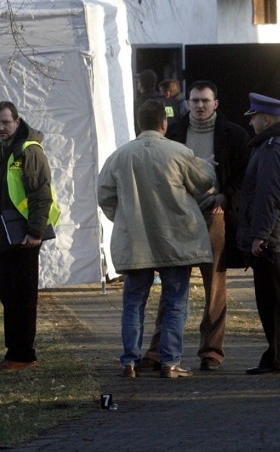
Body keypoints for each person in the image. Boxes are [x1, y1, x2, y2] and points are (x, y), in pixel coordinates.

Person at [97, 100, 215, 379]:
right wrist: (208, 167)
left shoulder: (119, 156)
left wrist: (126, 218)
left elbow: (105, 195)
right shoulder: (179, 152)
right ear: (164, 123)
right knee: (175, 301)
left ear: (140, 124)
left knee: (133, 302)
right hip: (176, 239)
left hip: (135, 241)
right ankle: (170, 362)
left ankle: (129, 361)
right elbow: (204, 182)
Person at [140, 80, 250, 372]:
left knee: (215, 286)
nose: (199, 106)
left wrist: (228, 196)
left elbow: (244, 177)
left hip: (214, 216)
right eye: (194, 100)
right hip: (179, 216)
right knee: (173, 286)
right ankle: (157, 352)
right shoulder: (172, 133)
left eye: (205, 100)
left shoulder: (234, 135)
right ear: (185, 103)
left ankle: (212, 352)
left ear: (216, 103)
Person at [0, 101, 59, 370]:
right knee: (8, 295)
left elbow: (40, 193)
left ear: (17, 121)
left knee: (23, 297)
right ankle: (14, 353)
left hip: (23, 236)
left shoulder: (28, 150)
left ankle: (23, 355)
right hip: (2, 234)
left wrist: (35, 232)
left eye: (5, 122)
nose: (0, 128)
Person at [237, 93, 280, 375]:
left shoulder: (272, 148)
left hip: (273, 237)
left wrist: (260, 235)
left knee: (272, 300)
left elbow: (268, 195)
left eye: (253, 117)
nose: (251, 122)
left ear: (266, 119)